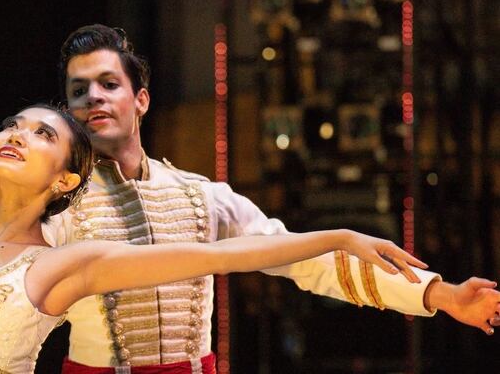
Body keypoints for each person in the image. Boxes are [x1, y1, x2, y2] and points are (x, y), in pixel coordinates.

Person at [39, 24, 500, 372]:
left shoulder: (201, 196)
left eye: (108, 84)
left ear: (140, 100)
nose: (93, 98)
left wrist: (439, 294)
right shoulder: (57, 205)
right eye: (79, 91)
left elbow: (308, 259)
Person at [0, 104, 426, 373]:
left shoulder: (57, 265)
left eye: (41, 134)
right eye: (10, 124)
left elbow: (221, 254)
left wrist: (340, 235)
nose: (16, 136)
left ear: (65, 178)